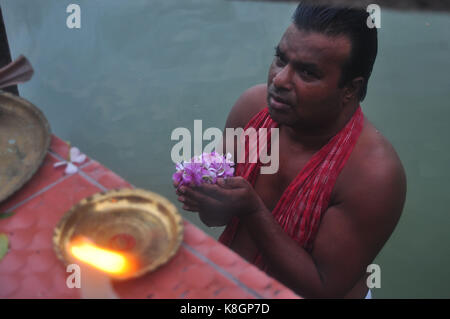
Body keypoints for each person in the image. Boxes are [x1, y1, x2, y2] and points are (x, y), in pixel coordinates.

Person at [175, 1, 406, 298]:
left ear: (350, 88)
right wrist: (206, 197)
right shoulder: (251, 108)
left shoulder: (373, 174)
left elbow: (322, 289)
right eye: (281, 59)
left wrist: (252, 209)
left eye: (308, 73)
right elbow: (217, 218)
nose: (280, 80)